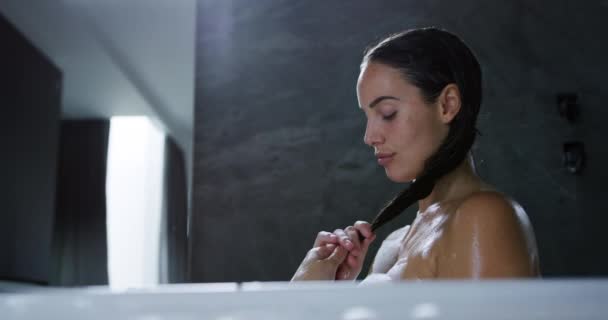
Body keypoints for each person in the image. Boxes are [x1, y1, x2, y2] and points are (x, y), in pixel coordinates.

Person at [291, 27, 540, 283]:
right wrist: (321, 293)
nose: (370, 137)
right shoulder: (394, 244)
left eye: (388, 113)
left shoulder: (482, 218)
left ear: (447, 105)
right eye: (368, 116)